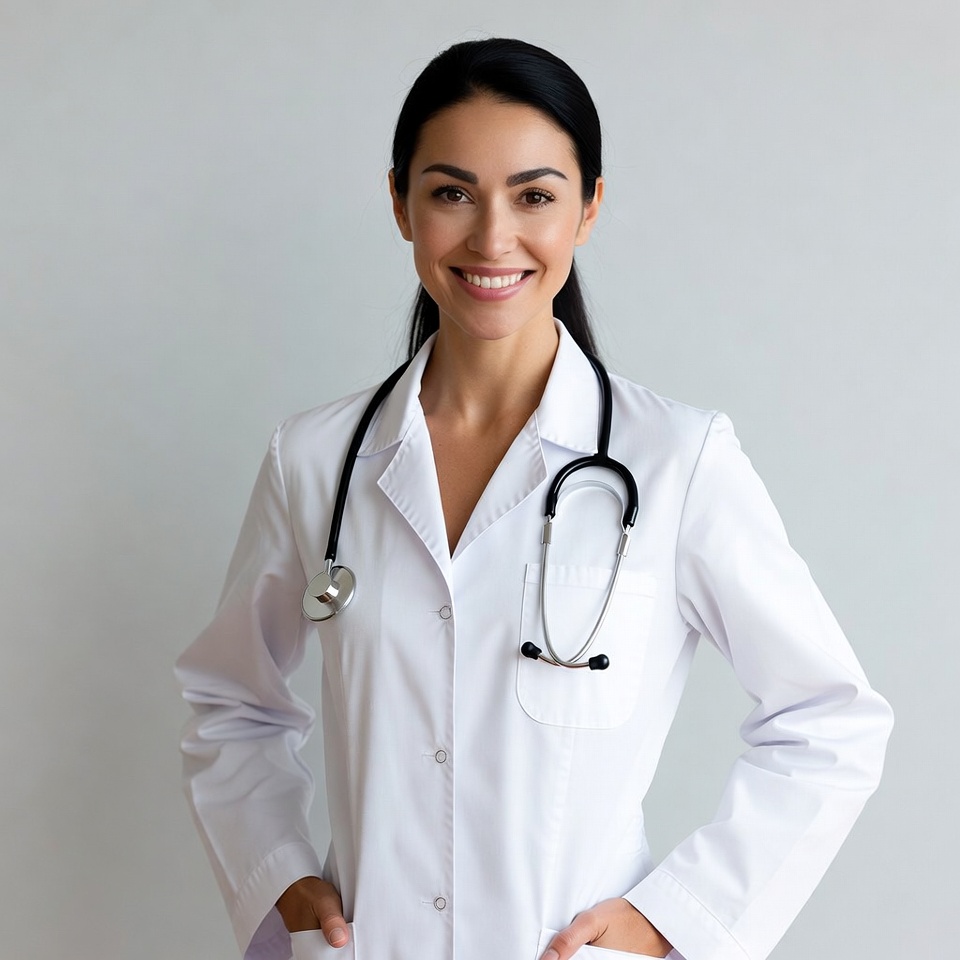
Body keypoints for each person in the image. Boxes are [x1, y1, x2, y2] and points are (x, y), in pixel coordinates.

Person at [176, 38, 893, 960]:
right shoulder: (315, 460)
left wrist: (680, 917)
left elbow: (829, 718)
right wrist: (277, 874)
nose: (491, 238)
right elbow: (232, 701)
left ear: (588, 207)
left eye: (535, 196)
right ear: (399, 203)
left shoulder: (676, 461)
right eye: (452, 193)